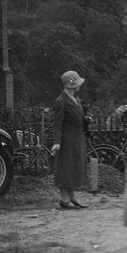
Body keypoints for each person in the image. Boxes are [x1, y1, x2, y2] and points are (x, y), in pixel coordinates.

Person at [51, 70, 89, 209]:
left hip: (77, 139)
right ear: (71, 84)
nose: (80, 85)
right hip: (66, 141)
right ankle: (64, 199)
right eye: (77, 82)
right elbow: (57, 124)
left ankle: (73, 197)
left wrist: (85, 120)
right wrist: (56, 142)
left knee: (73, 167)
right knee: (65, 168)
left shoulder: (76, 99)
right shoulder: (60, 101)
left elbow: (78, 117)